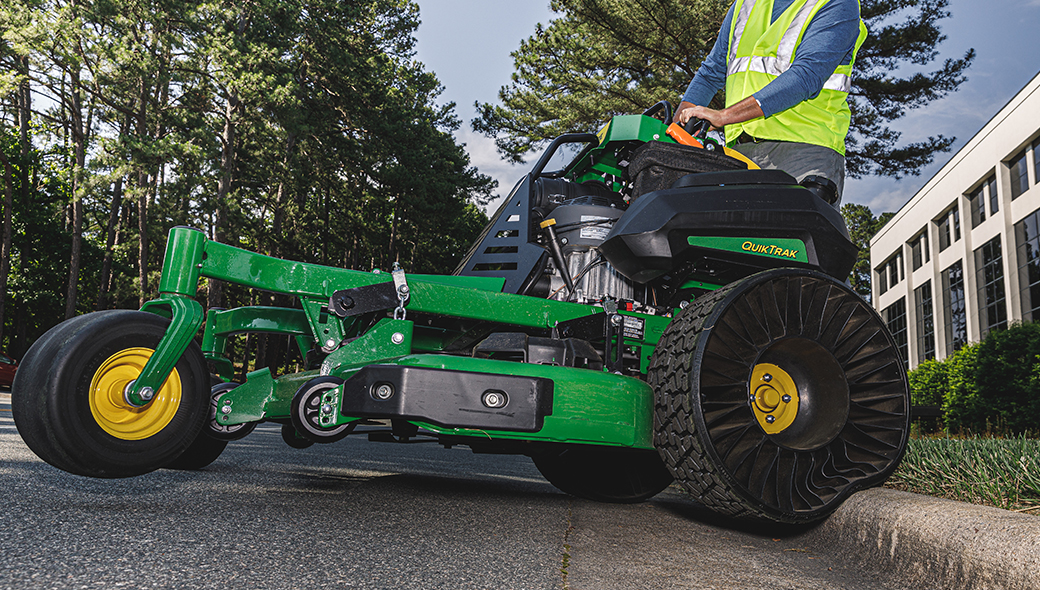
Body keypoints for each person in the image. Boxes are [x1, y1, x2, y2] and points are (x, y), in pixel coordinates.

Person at [674, 0, 868, 206]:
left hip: (802, 153)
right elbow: (710, 73)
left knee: (794, 235)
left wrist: (724, 117)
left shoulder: (837, 4)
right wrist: (675, 132)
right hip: (738, 154)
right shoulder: (745, 5)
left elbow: (806, 76)